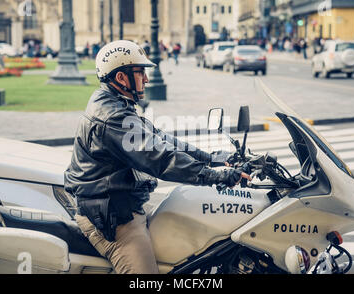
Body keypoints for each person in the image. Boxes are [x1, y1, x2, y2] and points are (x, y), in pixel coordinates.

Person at [64, 40, 250, 274]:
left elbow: (161, 140)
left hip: (121, 202)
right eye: (140, 72)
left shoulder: (116, 102)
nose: (147, 79)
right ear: (121, 78)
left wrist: (212, 158)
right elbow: (159, 157)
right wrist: (215, 176)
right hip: (113, 219)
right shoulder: (112, 117)